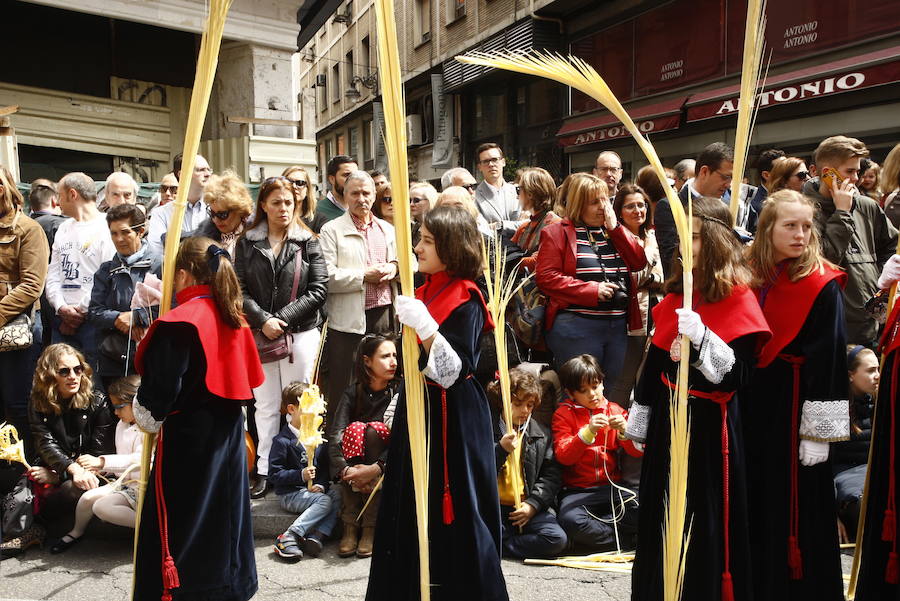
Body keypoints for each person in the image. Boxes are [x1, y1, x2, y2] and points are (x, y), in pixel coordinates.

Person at [628, 196, 770, 601]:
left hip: (711, 430)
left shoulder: (739, 298)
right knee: (659, 517)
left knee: (702, 522)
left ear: (715, 240)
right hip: (667, 426)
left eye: (693, 237)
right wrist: (642, 418)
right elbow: (654, 366)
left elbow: (740, 377)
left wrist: (706, 337)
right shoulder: (675, 299)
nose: (682, 247)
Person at [366, 205, 508, 601]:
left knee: (460, 512)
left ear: (451, 245)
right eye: (420, 239)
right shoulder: (425, 290)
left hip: (455, 420)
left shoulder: (467, 298)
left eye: (428, 240)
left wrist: (426, 327)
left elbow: (453, 371)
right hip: (420, 412)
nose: (418, 247)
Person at [131, 236, 264, 601]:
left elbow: (151, 411)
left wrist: (143, 413)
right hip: (229, 437)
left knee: (183, 529)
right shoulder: (232, 318)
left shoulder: (179, 324)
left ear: (185, 275)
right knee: (226, 522)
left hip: (188, 443)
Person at [744, 189, 849, 601]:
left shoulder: (823, 283)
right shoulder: (749, 272)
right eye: (790, 225)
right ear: (767, 228)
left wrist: (818, 432)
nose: (801, 234)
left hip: (796, 405)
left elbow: (830, 362)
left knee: (797, 503)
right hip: (751, 402)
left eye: (807, 226)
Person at [235, 175, 328, 498]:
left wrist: (282, 319)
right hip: (261, 335)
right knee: (265, 404)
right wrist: (263, 320)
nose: (283, 208)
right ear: (263, 205)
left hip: (300, 333)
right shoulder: (247, 243)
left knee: (301, 404)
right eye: (276, 202)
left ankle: (304, 467)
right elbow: (239, 289)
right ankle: (265, 470)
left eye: (289, 202)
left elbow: (318, 289)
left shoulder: (308, 240)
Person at [536, 173, 647, 395]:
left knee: (610, 392)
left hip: (616, 326)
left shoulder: (614, 231)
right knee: (581, 394)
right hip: (576, 326)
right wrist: (592, 290)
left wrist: (616, 229)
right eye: (595, 202)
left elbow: (638, 261)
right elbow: (546, 277)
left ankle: (606, 431)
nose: (602, 208)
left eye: (605, 200)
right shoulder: (556, 232)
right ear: (578, 204)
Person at [319, 171, 399, 423]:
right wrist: (364, 276)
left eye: (366, 193)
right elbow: (326, 276)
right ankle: (338, 450)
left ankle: (376, 440)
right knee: (345, 385)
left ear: (374, 195)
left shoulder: (387, 229)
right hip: (348, 321)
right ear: (344, 196)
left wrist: (394, 267)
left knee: (382, 382)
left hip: (384, 315)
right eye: (355, 193)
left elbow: (410, 264)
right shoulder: (332, 230)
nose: (361, 199)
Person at [803, 135, 897, 346]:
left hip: (869, 326)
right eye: (850, 171)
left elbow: (891, 244)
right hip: (830, 329)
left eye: (857, 170)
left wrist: (880, 279)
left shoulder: (866, 206)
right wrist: (842, 213)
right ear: (827, 173)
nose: (857, 178)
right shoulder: (803, 210)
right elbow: (825, 259)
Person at [553, 355, 640, 553]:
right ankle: (625, 541)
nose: (592, 394)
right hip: (578, 491)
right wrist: (587, 432)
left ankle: (600, 538)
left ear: (602, 382)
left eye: (595, 386)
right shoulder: (564, 414)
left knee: (644, 506)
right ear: (570, 393)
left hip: (612, 487)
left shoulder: (615, 410)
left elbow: (636, 452)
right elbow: (564, 456)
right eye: (583, 391)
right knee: (570, 520)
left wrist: (625, 432)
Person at [48, 375, 144, 553]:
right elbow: (121, 458)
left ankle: (150, 530)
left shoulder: (150, 430)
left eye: (119, 407)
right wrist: (101, 469)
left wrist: (102, 462)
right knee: (88, 499)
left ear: (137, 403)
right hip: (126, 484)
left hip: (146, 489)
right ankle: (76, 532)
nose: (115, 412)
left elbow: (139, 460)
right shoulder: (122, 426)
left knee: (102, 507)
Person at [27, 345, 114, 531]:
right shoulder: (38, 401)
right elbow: (44, 442)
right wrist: (67, 470)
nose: (73, 376)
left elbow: (100, 451)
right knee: (30, 487)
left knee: (72, 489)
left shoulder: (97, 400)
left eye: (78, 369)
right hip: (55, 465)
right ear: (49, 375)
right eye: (64, 371)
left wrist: (62, 476)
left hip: (87, 471)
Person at [328, 334, 399, 558]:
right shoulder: (353, 392)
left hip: (387, 466)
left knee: (372, 431)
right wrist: (347, 470)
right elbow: (336, 435)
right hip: (354, 466)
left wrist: (376, 468)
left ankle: (370, 527)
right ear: (367, 361)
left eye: (395, 355)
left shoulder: (399, 392)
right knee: (355, 429)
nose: (393, 362)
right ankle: (350, 526)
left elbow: (401, 439)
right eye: (385, 356)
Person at [488, 368, 566, 559]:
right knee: (474, 532)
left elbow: (551, 476)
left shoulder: (541, 434)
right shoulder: (486, 429)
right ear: (503, 401)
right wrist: (500, 450)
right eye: (518, 403)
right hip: (495, 507)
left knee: (556, 539)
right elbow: (478, 470)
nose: (524, 411)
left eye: (530, 405)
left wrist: (533, 504)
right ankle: (495, 543)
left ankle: (501, 546)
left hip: (526, 506)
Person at [0, 166, 49, 461]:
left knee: (17, 405)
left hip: (16, 330)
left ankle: (22, 475)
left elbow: (32, 286)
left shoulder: (28, 229)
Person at [44, 172, 115, 373]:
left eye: (59, 195)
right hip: (62, 320)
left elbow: (106, 275)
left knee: (92, 384)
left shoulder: (106, 226)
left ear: (72, 194)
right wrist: (61, 307)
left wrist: (79, 312)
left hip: (93, 321)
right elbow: (53, 273)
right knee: (60, 384)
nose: (57, 202)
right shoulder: (63, 228)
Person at [88, 204, 162, 389]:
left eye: (125, 232)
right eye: (113, 233)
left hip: (152, 357)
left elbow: (173, 306)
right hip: (114, 358)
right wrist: (120, 320)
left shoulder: (161, 266)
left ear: (141, 231)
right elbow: (95, 312)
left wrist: (138, 317)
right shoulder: (106, 270)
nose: (119, 239)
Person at [607, 184, 663, 408]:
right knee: (625, 376)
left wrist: (651, 278)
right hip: (629, 318)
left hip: (655, 314)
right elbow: (636, 278)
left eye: (641, 205)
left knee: (648, 377)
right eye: (630, 206)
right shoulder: (615, 238)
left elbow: (662, 276)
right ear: (619, 211)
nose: (638, 210)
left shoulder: (651, 235)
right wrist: (650, 277)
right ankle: (613, 433)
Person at [270, 382, 340, 561]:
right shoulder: (282, 441)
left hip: (312, 492)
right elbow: (274, 474)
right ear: (292, 409)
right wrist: (300, 475)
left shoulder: (316, 437)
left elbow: (323, 469)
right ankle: (290, 535)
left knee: (337, 496)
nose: (314, 413)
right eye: (308, 408)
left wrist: (321, 485)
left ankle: (317, 535)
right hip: (291, 493)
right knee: (324, 502)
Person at [833, 345, 878, 544]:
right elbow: (820, 467)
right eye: (870, 371)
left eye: (878, 369)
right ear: (851, 375)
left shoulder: (879, 403)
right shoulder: (833, 410)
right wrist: (829, 515)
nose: (877, 375)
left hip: (873, 473)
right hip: (846, 484)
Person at [147, 154, 212, 255]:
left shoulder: (217, 209)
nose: (208, 174)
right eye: (200, 170)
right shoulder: (161, 214)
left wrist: (178, 239)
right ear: (182, 175)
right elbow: (157, 254)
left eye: (209, 169)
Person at [511, 167, 561, 272]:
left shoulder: (555, 225)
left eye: (519, 190)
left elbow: (538, 262)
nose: (517, 196)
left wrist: (509, 261)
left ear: (530, 194)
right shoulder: (523, 228)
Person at [194, 170, 254, 256]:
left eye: (222, 215)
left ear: (239, 210)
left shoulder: (257, 237)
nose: (216, 220)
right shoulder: (203, 237)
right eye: (212, 213)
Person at [474, 143, 521, 235]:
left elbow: (527, 224)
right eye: (486, 161)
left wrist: (499, 225)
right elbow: (478, 229)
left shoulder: (518, 191)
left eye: (494, 159)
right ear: (479, 167)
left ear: (503, 162)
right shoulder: (474, 196)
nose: (491, 164)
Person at [283, 165, 327, 233]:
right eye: (289, 182)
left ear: (307, 189)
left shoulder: (319, 220)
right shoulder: (273, 216)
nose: (294, 186)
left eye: (300, 183)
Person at [316, 155, 359, 223]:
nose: (352, 179)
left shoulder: (363, 209)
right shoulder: (316, 211)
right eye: (346, 175)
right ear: (332, 179)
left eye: (355, 175)